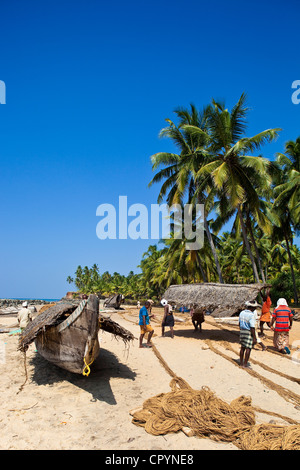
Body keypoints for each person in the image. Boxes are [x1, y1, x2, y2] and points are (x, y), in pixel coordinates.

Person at [239, 301, 261, 368]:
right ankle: (245, 364)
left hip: (242, 331)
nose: (255, 308)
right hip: (248, 331)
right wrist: (254, 337)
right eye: (254, 307)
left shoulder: (242, 313)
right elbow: (252, 327)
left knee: (242, 347)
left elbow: (239, 323)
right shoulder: (251, 315)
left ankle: (241, 363)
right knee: (248, 348)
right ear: (251, 307)